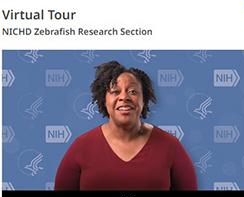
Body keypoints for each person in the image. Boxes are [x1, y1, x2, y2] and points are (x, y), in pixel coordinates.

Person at [55, 61, 197, 190]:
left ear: (144, 100)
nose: (124, 97)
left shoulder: (170, 146)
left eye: (133, 92)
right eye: (115, 91)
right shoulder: (82, 146)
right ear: (103, 100)